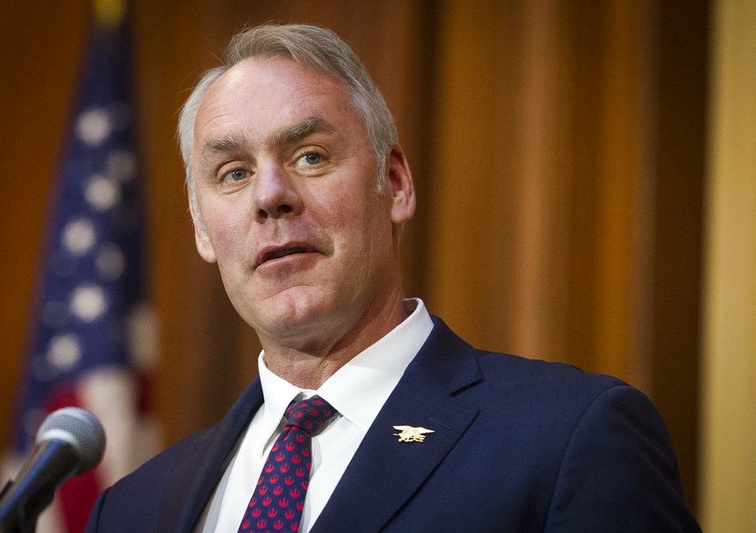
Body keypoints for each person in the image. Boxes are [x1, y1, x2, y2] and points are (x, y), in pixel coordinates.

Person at [86, 23, 700, 532]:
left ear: (396, 184)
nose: (270, 195)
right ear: (201, 231)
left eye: (311, 157)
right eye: (233, 173)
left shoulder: (572, 438)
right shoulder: (132, 507)